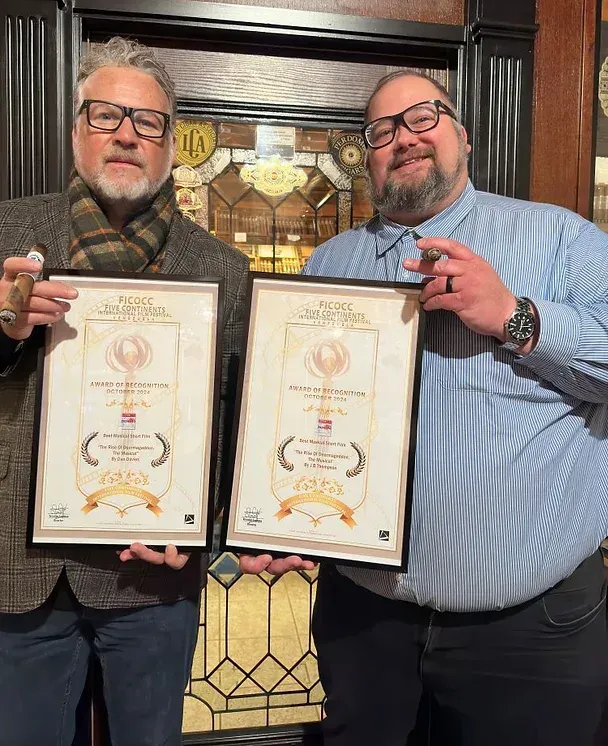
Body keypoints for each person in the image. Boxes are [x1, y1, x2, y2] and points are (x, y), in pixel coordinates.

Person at [240, 70, 608, 746]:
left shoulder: (561, 239)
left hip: (529, 637)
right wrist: (278, 520)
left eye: (422, 118)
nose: (402, 139)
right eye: (381, 132)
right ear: (367, 160)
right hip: (366, 623)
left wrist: (514, 315)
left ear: (463, 137)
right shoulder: (328, 264)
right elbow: (291, 414)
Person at [0, 36, 248, 746]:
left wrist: (207, 531)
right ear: (77, 128)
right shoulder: (7, 233)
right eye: (107, 115)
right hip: (21, 570)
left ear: (172, 144)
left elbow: (233, 427)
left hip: (151, 578)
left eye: (148, 123)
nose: (126, 136)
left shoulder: (220, 268)